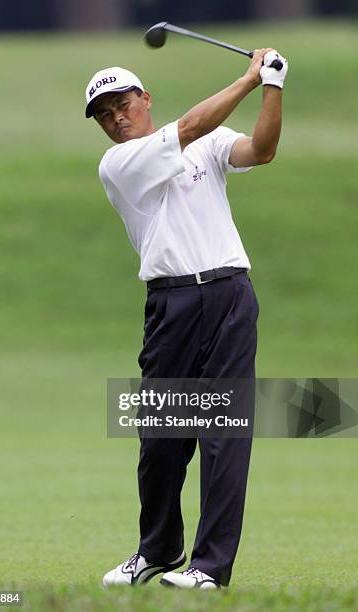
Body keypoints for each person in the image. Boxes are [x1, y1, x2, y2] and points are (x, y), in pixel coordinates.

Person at [85, 48, 288, 589]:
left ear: (144, 99)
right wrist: (249, 78)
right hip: (170, 304)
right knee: (160, 439)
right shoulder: (119, 164)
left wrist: (273, 86)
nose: (116, 119)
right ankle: (156, 551)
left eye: (122, 105)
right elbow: (191, 126)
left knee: (223, 434)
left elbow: (261, 150)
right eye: (104, 114)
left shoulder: (207, 144)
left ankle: (209, 569)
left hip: (228, 296)